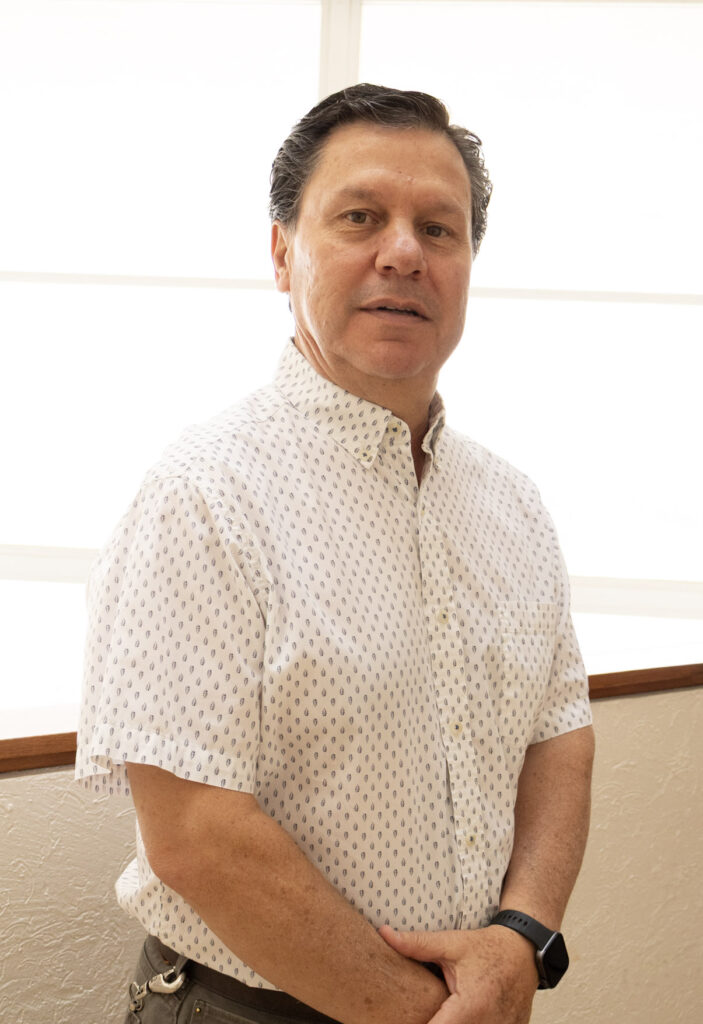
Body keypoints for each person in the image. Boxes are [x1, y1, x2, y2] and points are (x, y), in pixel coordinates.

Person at [76, 84, 594, 1024]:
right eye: (360, 217)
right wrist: (417, 1011)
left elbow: (558, 733)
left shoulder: (512, 503)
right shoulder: (203, 496)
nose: (403, 252)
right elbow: (194, 836)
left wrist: (521, 937)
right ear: (282, 253)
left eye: (438, 229)